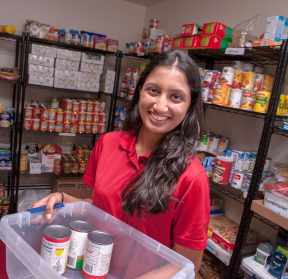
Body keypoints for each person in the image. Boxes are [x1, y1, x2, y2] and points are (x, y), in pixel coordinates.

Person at [32, 50, 210, 278]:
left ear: (190, 105)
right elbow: (101, 209)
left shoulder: (192, 177)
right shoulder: (108, 144)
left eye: (176, 96)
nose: (160, 106)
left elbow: (188, 265)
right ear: (140, 92)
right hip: (92, 270)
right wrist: (63, 199)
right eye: (153, 90)